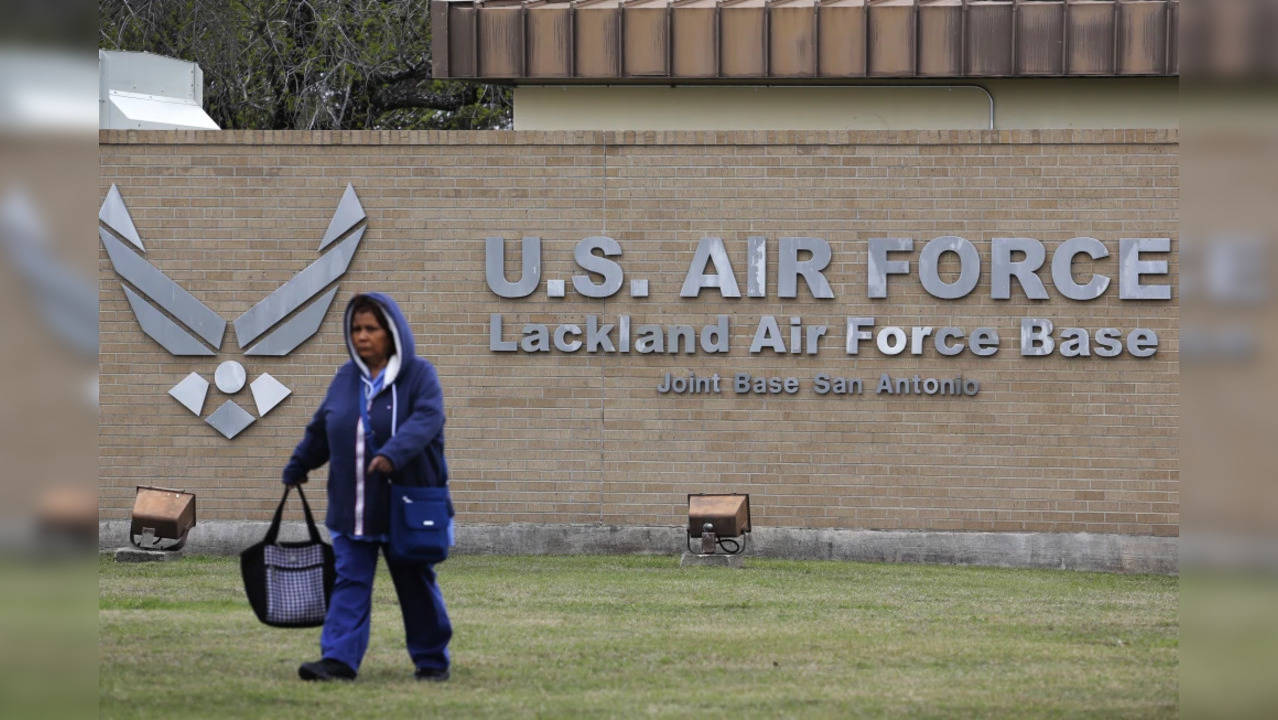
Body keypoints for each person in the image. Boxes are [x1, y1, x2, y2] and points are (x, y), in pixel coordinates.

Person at [281, 292, 452, 682]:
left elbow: (428, 418)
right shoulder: (346, 378)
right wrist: (299, 464)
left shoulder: (420, 375)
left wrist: (393, 453)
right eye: (356, 329)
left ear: (392, 333)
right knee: (349, 583)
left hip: (404, 508)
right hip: (352, 507)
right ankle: (339, 660)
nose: (362, 336)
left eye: (371, 329)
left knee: (416, 586)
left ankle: (431, 660)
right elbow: (324, 426)